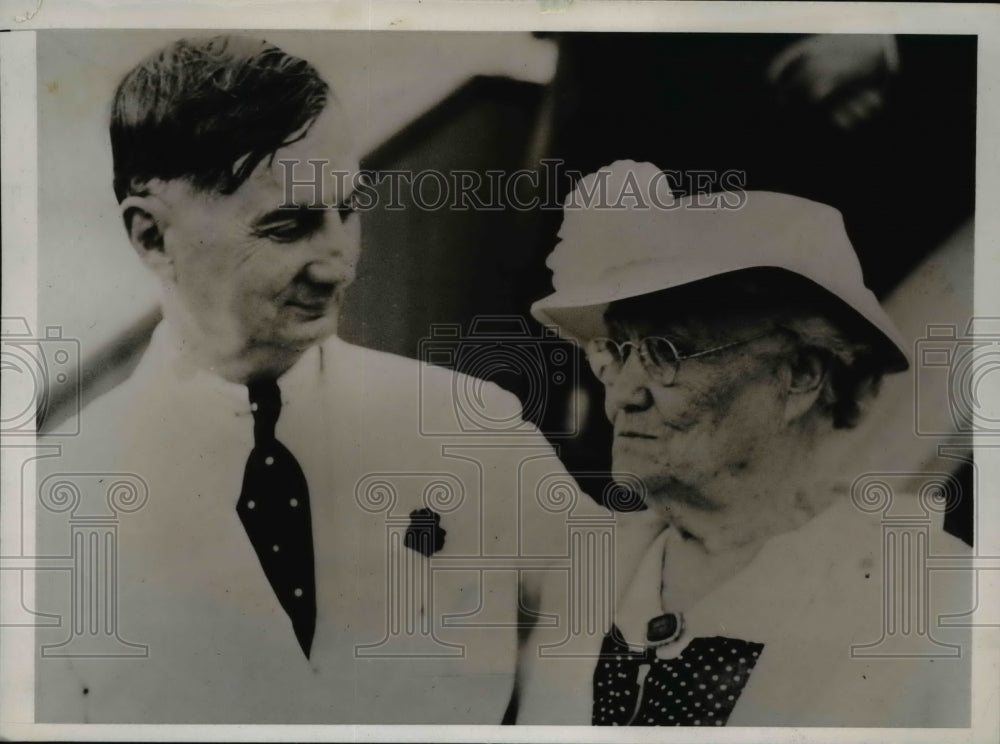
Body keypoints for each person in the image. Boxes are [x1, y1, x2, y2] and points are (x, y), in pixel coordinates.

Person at [34, 34, 611, 724]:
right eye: (289, 226)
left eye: (349, 209)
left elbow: (598, 601)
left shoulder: (472, 429)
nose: (339, 262)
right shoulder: (58, 498)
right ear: (152, 237)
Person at [515, 160, 972, 726]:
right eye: (617, 352)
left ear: (800, 375)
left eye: (667, 352)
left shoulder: (937, 598)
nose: (623, 396)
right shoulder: (575, 570)